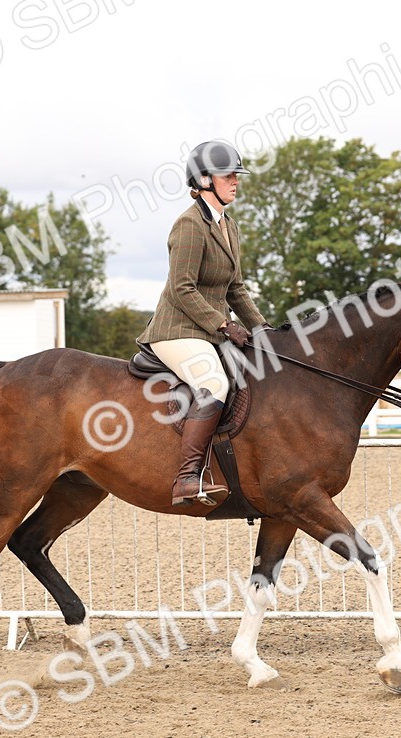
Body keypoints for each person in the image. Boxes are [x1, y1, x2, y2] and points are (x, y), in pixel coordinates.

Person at [136, 141, 270, 507]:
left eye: (236, 176)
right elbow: (182, 288)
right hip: (176, 330)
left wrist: (263, 330)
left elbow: (236, 288)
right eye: (229, 176)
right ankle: (186, 479)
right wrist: (225, 326)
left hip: (208, 331)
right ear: (204, 179)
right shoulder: (189, 225)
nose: (235, 182)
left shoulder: (229, 226)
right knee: (214, 381)